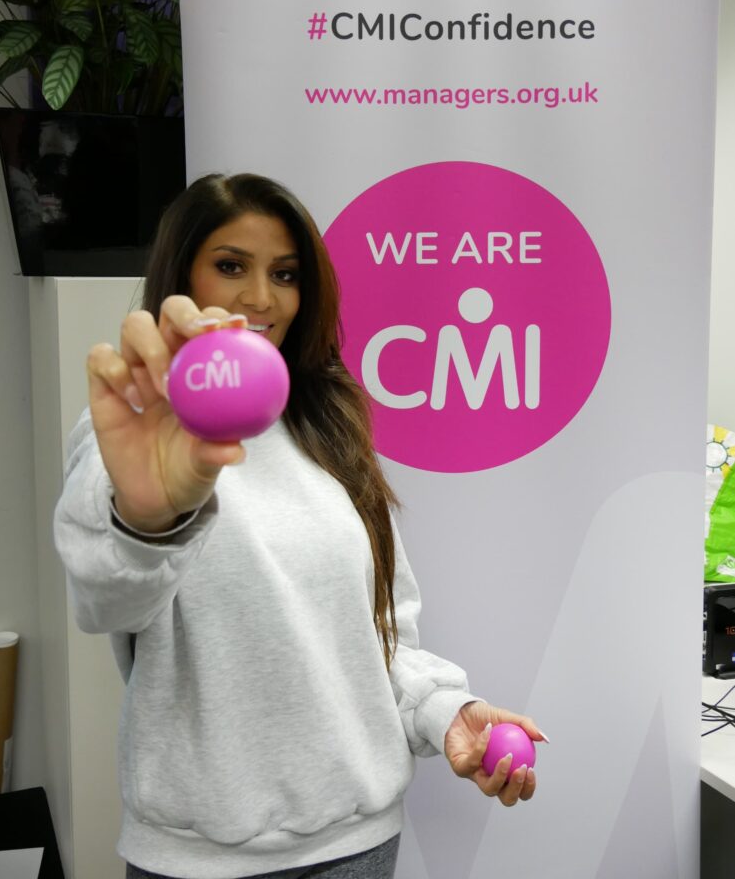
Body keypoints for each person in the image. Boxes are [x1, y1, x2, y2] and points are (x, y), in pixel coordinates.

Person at [54, 173, 545, 879]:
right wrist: (152, 517)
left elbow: (379, 636)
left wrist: (448, 710)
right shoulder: (133, 437)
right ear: (179, 276)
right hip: (199, 861)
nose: (260, 298)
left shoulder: (326, 427)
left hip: (357, 847)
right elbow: (107, 600)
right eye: (230, 266)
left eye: (284, 274)